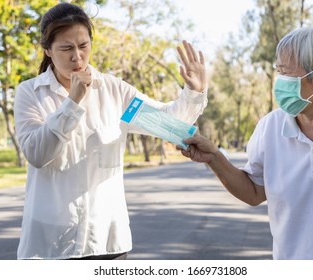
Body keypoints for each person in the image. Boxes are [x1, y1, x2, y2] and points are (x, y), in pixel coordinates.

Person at [14, 2, 207, 260]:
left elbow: (170, 125)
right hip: (50, 247)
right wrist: (72, 103)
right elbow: (37, 154)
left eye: (83, 46)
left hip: (107, 244)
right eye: (66, 48)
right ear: (47, 50)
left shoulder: (115, 92)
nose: (77, 57)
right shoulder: (30, 93)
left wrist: (194, 92)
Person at [179, 26, 313, 259]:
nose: (279, 83)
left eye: (286, 74)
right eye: (278, 72)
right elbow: (255, 192)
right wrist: (214, 157)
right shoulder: (270, 127)